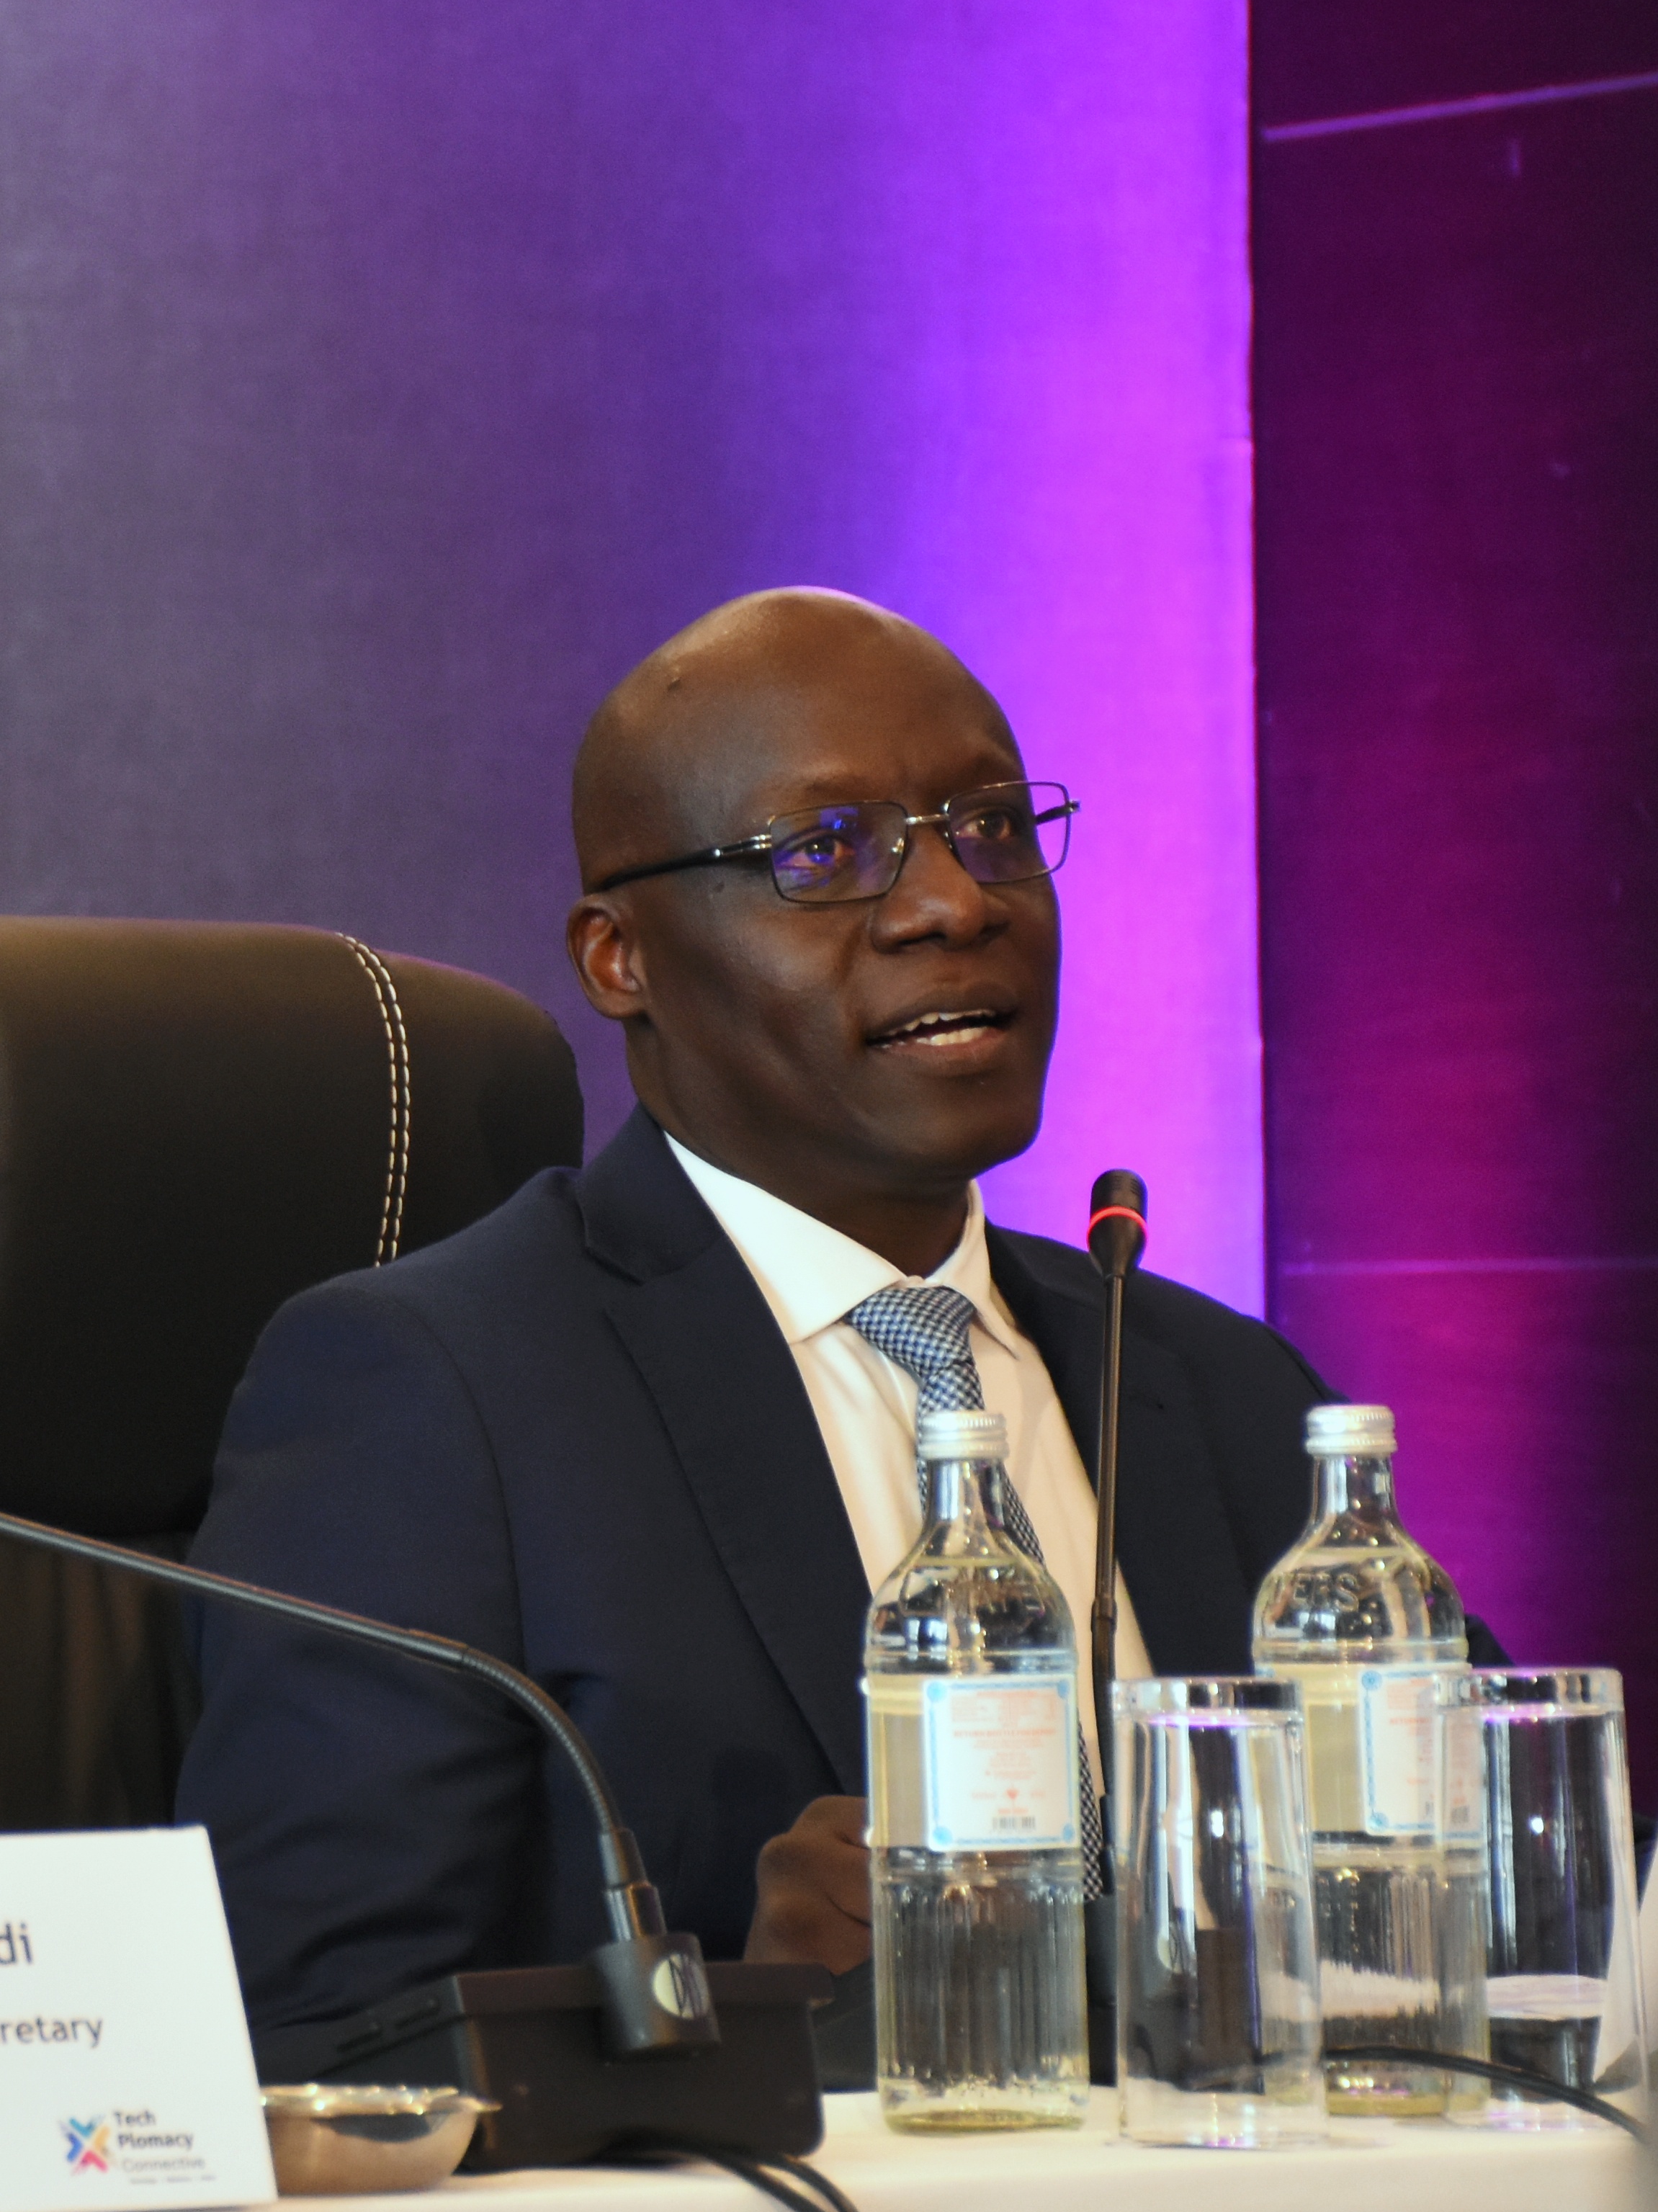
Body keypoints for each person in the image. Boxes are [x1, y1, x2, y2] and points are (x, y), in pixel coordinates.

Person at [173, 587, 1351, 2047]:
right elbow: (314, 2038)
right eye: (824, 851)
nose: (952, 902)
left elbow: (1485, 1864)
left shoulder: (1214, 1384)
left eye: (988, 825)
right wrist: (748, 2009)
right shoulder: (429, 1392)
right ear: (621, 959)